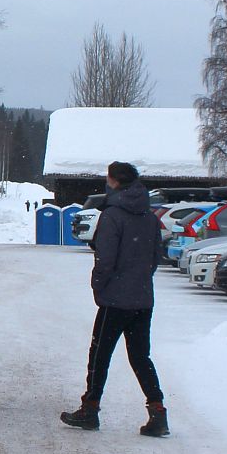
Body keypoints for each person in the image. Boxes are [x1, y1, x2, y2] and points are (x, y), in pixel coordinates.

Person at [60, 160, 168, 437]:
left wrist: (99, 285)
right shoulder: (149, 216)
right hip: (142, 298)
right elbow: (156, 256)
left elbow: (105, 259)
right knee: (140, 356)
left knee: (100, 354)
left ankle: (90, 409)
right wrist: (139, 279)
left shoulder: (112, 215)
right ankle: (158, 411)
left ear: (114, 181)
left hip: (115, 299)